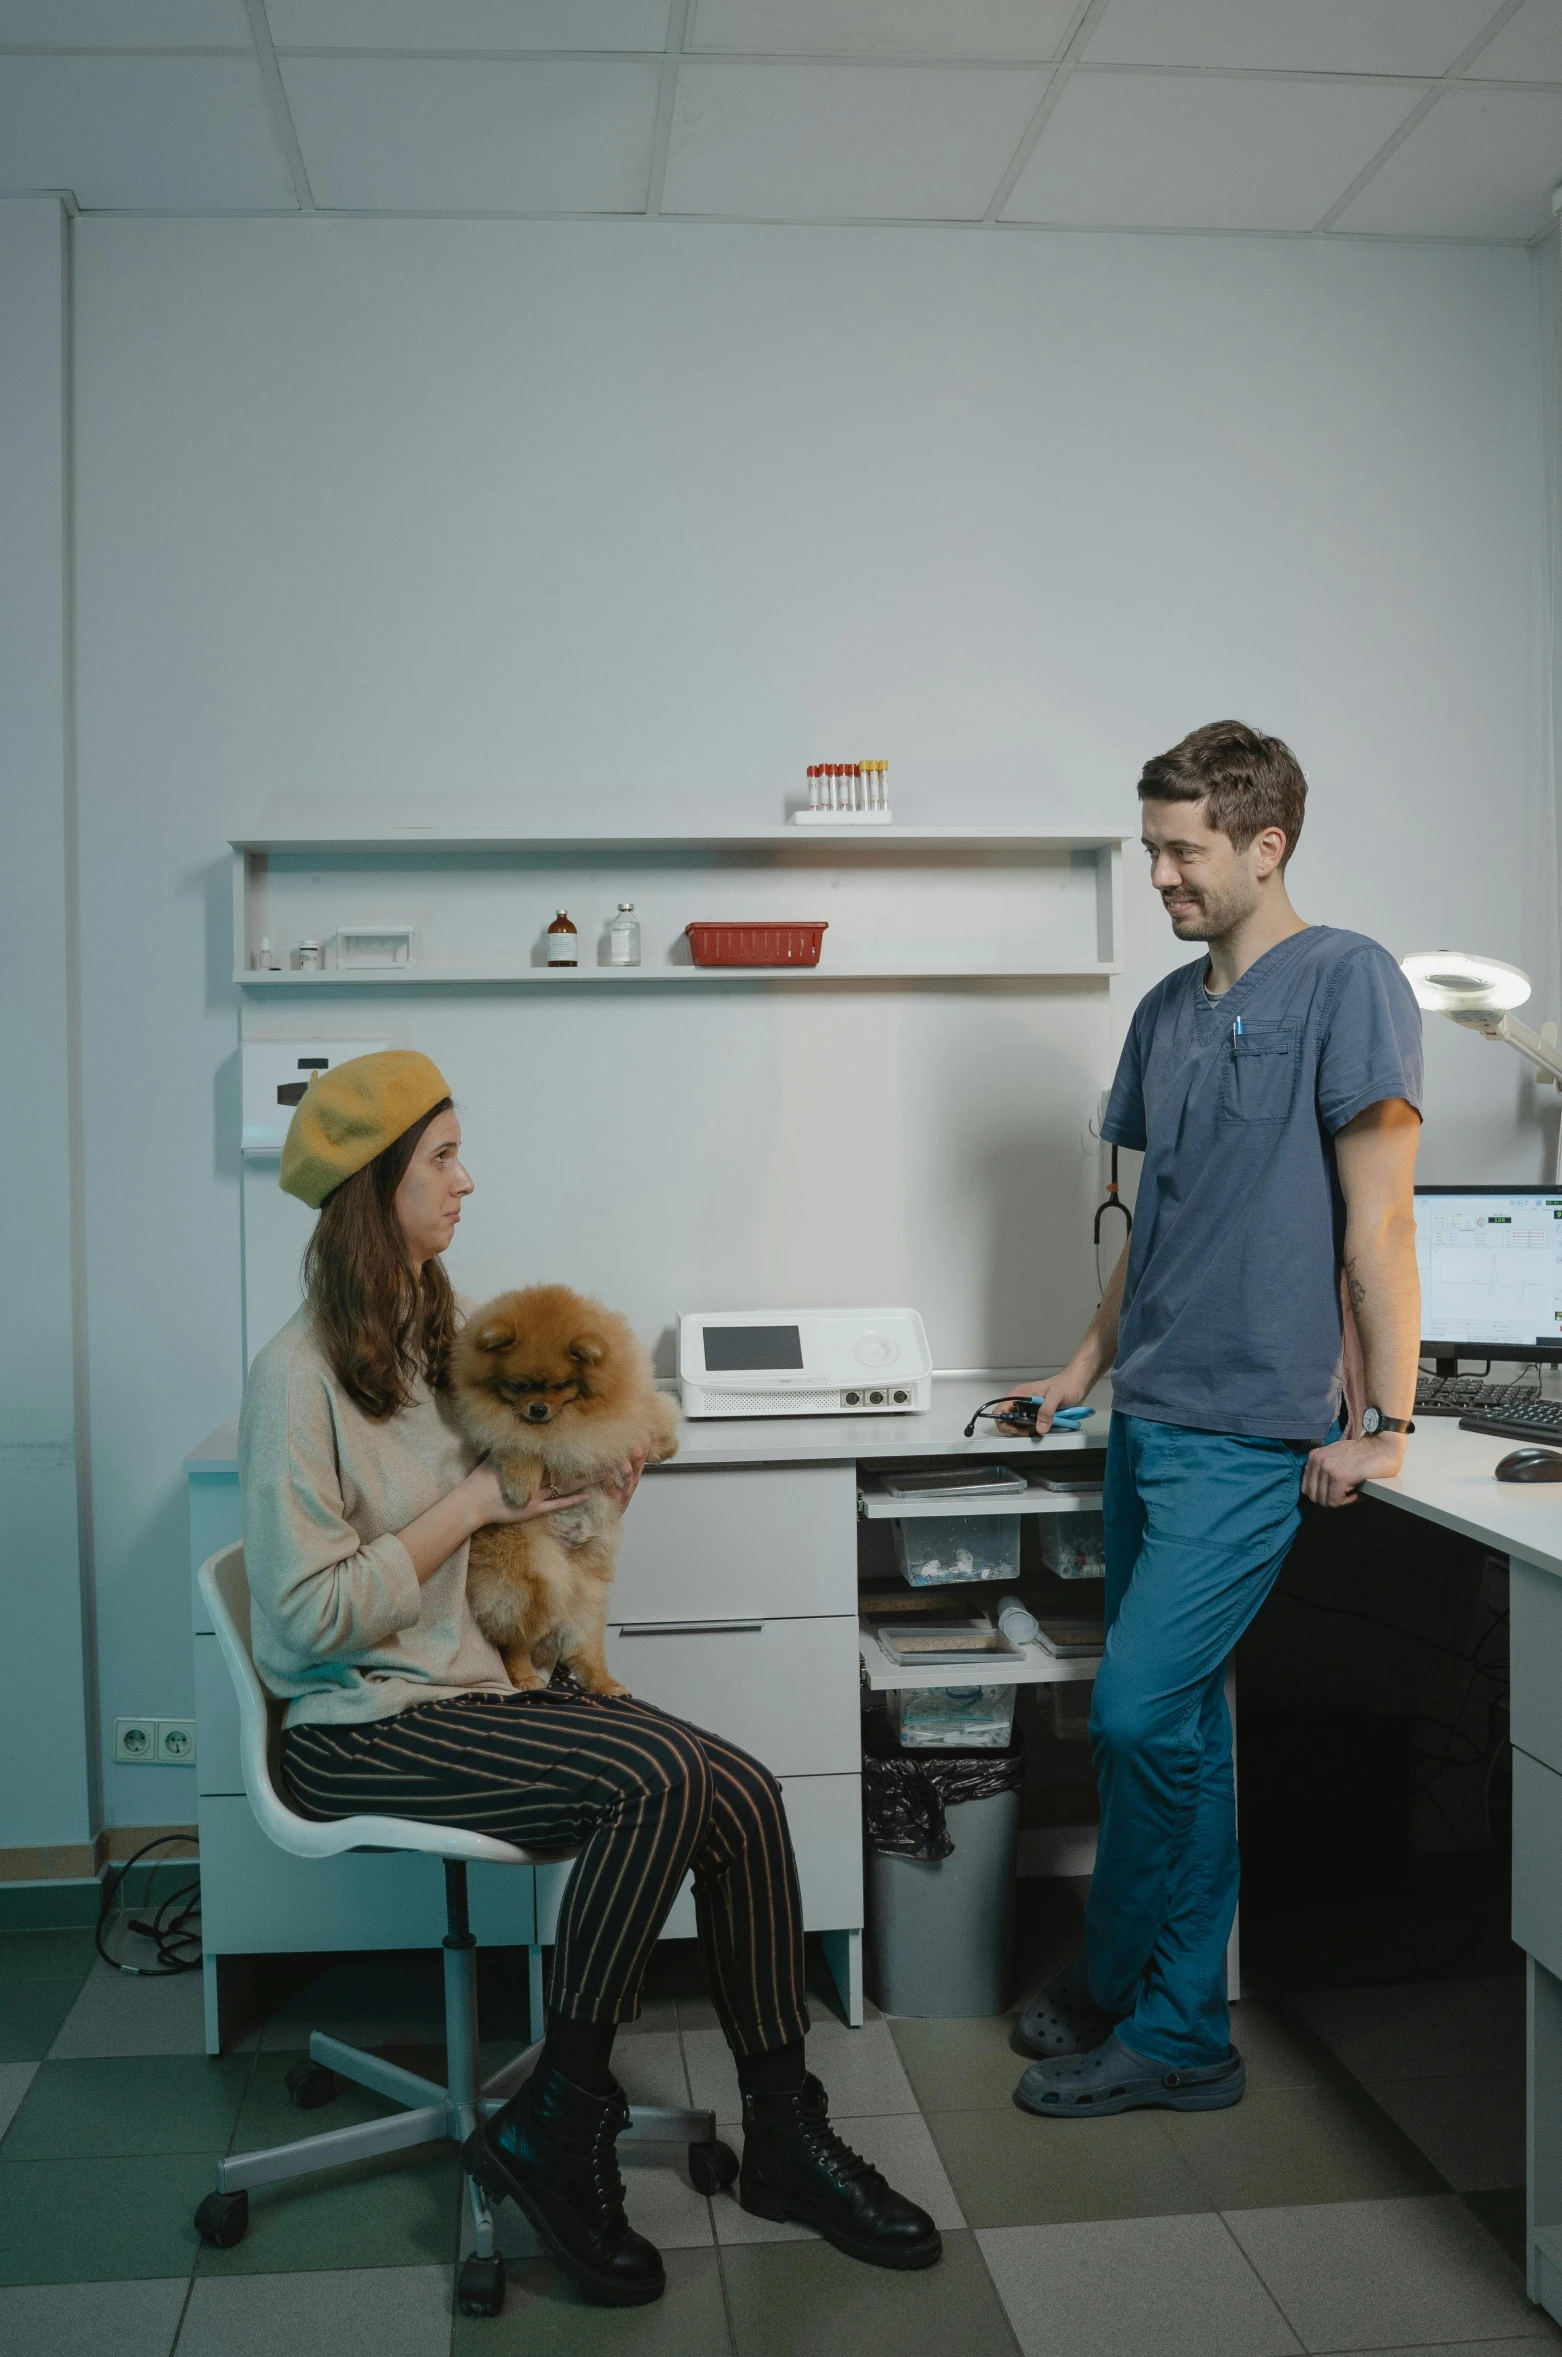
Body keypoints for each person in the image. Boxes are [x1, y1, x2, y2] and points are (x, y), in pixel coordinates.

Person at [239, 1049, 940, 2304]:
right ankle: (558, 2132)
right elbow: (297, 1630)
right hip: (361, 1723)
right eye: (442, 1157)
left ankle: (783, 2134)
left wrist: (587, 1474)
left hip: (470, 1685)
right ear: (371, 1187)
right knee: (660, 1771)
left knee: (743, 1790)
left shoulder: (430, 1340)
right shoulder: (297, 1379)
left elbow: (519, 1492)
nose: (468, 1180)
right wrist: (463, 1504)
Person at [1006, 720, 1423, 2117]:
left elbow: (1379, 1224)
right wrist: (1079, 1365)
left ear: (1265, 843)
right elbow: (1161, 1222)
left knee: (1134, 1713)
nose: (1162, 877)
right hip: (1151, 1410)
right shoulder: (1166, 1011)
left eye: (1183, 852)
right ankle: (1133, 1980)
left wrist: (1392, 1419)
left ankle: (1176, 2027)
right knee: (1161, 1726)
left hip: (1250, 1424)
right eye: (1150, 852)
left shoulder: (1347, 980)